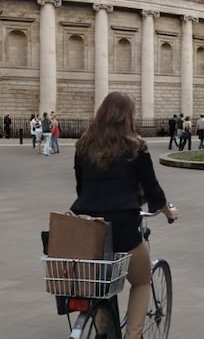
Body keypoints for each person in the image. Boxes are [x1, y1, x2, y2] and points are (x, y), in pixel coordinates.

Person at [70, 91, 179, 339]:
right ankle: (133, 335)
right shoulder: (135, 146)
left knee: (99, 283)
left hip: (86, 225)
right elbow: (152, 189)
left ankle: (103, 329)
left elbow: (81, 187)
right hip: (122, 226)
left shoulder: (83, 145)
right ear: (127, 116)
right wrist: (167, 211)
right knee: (141, 280)